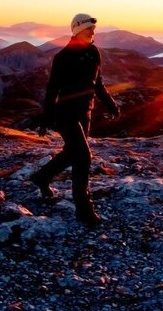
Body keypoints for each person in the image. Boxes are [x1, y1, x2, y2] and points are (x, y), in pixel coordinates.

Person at [30, 13, 120, 225]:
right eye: (89, 30)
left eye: (93, 30)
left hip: (85, 113)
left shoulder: (93, 52)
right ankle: (84, 209)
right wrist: (46, 119)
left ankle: (42, 177)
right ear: (78, 30)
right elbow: (52, 90)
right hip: (66, 114)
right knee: (84, 157)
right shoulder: (62, 58)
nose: (93, 33)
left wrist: (110, 104)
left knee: (72, 154)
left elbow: (98, 83)